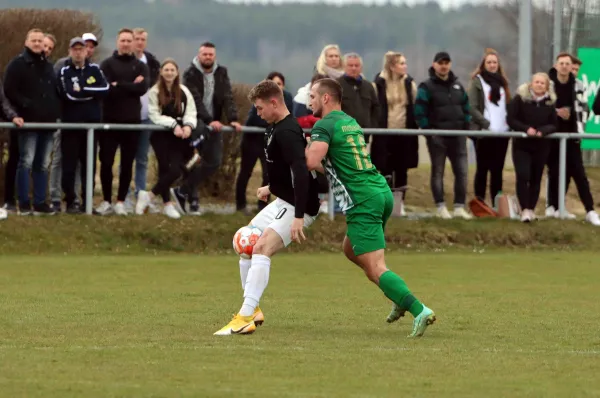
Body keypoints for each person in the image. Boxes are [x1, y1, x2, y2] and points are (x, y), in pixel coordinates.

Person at [305, 78, 435, 338]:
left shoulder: (323, 125)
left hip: (363, 200)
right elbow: (331, 164)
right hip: (380, 191)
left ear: (326, 98)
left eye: (312, 96)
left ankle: (419, 309)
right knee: (350, 249)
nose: (309, 101)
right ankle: (398, 297)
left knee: (376, 266)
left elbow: (309, 161)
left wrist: (296, 146)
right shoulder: (348, 121)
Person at [214, 80, 321, 336]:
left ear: (274, 102)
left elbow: (301, 173)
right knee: (244, 242)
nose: (258, 113)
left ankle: (245, 316)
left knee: (261, 248)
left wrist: (298, 218)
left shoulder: (288, 131)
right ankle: (254, 309)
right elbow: (285, 170)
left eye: (260, 108)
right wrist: (271, 186)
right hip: (284, 200)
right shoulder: (273, 127)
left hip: (300, 206)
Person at [96, 28, 149, 216]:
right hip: (109, 121)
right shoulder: (107, 64)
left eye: (129, 40)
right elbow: (106, 89)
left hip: (131, 122)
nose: (126, 44)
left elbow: (142, 89)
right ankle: (106, 200)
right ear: (117, 42)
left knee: (127, 163)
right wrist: (130, 86)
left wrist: (120, 85)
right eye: (123, 40)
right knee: (106, 162)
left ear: (133, 43)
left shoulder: (140, 66)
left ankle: (120, 201)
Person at [136, 59, 197, 219]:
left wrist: (188, 125)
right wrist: (173, 124)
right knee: (164, 168)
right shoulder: (154, 92)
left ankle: (148, 196)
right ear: (161, 72)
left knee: (176, 170)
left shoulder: (184, 91)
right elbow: (154, 114)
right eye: (166, 70)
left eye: (172, 70)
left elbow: (191, 111)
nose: (169, 73)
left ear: (177, 73)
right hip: (161, 136)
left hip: (180, 137)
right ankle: (167, 204)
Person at [57, 37, 109, 213]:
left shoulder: (95, 69)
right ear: (70, 51)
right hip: (71, 125)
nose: (78, 52)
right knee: (69, 165)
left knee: (89, 165)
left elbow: (104, 89)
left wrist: (85, 89)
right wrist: (90, 94)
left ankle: (88, 201)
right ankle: (71, 201)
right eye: (75, 49)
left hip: (91, 127)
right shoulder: (64, 71)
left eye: (82, 49)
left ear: (87, 51)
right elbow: (68, 94)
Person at [235, 71, 293, 215]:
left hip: (271, 142)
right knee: (245, 173)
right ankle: (240, 205)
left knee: (268, 176)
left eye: (279, 84)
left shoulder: (288, 98)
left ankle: (262, 206)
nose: (277, 87)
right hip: (252, 140)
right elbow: (255, 119)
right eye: (274, 84)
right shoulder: (260, 98)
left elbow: (290, 117)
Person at [371, 51, 419, 217]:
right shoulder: (379, 83)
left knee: (402, 169)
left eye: (405, 63)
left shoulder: (409, 84)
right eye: (401, 63)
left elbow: (415, 106)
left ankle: (400, 204)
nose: (405, 66)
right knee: (384, 170)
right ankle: (385, 203)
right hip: (384, 133)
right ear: (392, 66)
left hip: (404, 133)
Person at [507, 73, 557, 222]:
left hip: (541, 146)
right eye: (537, 82)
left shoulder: (550, 103)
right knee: (523, 175)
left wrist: (543, 131)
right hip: (522, 145)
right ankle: (524, 209)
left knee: (536, 178)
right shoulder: (520, 99)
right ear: (531, 84)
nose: (539, 85)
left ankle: (531, 209)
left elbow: (554, 124)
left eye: (542, 83)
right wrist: (525, 129)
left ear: (547, 86)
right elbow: (511, 119)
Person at [468, 49, 511, 205]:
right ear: (483, 65)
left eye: (494, 62)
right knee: (482, 169)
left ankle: (496, 202)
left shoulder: (503, 82)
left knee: (497, 170)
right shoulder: (477, 81)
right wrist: (485, 123)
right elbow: (472, 107)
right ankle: (479, 201)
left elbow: (507, 105)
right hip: (484, 132)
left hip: (502, 132)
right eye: (489, 62)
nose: (492, 65)